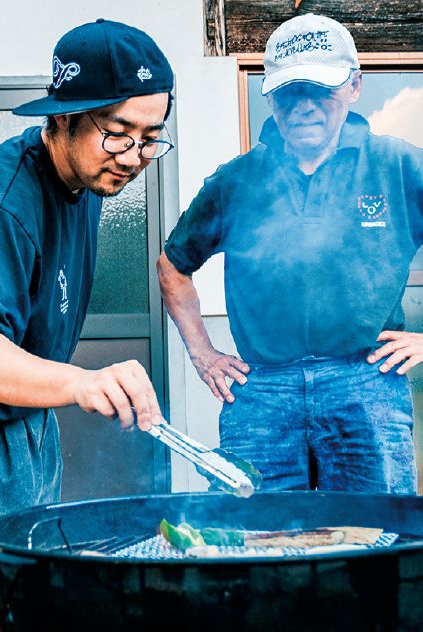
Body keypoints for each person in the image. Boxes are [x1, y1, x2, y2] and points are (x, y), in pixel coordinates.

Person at [0, 19, 174, 631]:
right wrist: (80, 383)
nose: (134, 157)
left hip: (21, 415)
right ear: (64, 118)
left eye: (151, 137)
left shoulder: (82, 181)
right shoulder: (1, 203)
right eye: (117, 134)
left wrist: (61, 393)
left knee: (23, 596)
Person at [158, 13, 423, 495]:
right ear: (270, 94)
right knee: (254, 542)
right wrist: (203, 354)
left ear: (354, 86)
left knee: (377, 543)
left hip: (366, 384)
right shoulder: (235, 181)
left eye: (319, 89)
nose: (303, 106)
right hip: (262, 390)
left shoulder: (398, 165)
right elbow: (173, 266)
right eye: (288, 91)